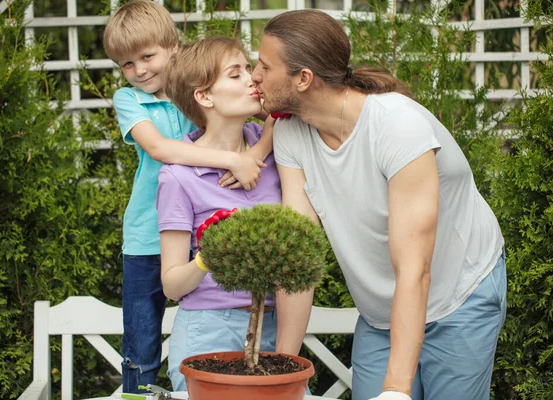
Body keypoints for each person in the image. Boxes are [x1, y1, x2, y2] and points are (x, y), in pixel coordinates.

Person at [251, 9, 506, 400]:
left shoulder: (396, 126)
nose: (254, 75)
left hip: (458, 296)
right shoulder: (290, 134)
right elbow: (297, 255)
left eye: (264, 66)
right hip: (383, 314)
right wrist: (283, 367)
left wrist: (397, 390)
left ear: (303, 79)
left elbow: (415, 268)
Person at [102, 1, 273, 392]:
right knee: (142, 347)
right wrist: (232, 159)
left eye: (147, 56)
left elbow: (280, 114)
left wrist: (257, 154)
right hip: (147, 237)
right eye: (126, 64)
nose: (139, 70)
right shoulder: (130, 99)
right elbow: (162, 150)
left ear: (173, 46)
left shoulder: (197, 87)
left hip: (195, 236)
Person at [156, 36, 311, 391]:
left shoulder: (279, 146)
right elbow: (172, 285)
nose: (251, 79)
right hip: (209, 330)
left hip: (277, 326)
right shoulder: (179, 177)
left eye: (248, 68)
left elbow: (291, 109)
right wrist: (208, 258)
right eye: (235, 74)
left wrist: (260, 147)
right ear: (204, 96)